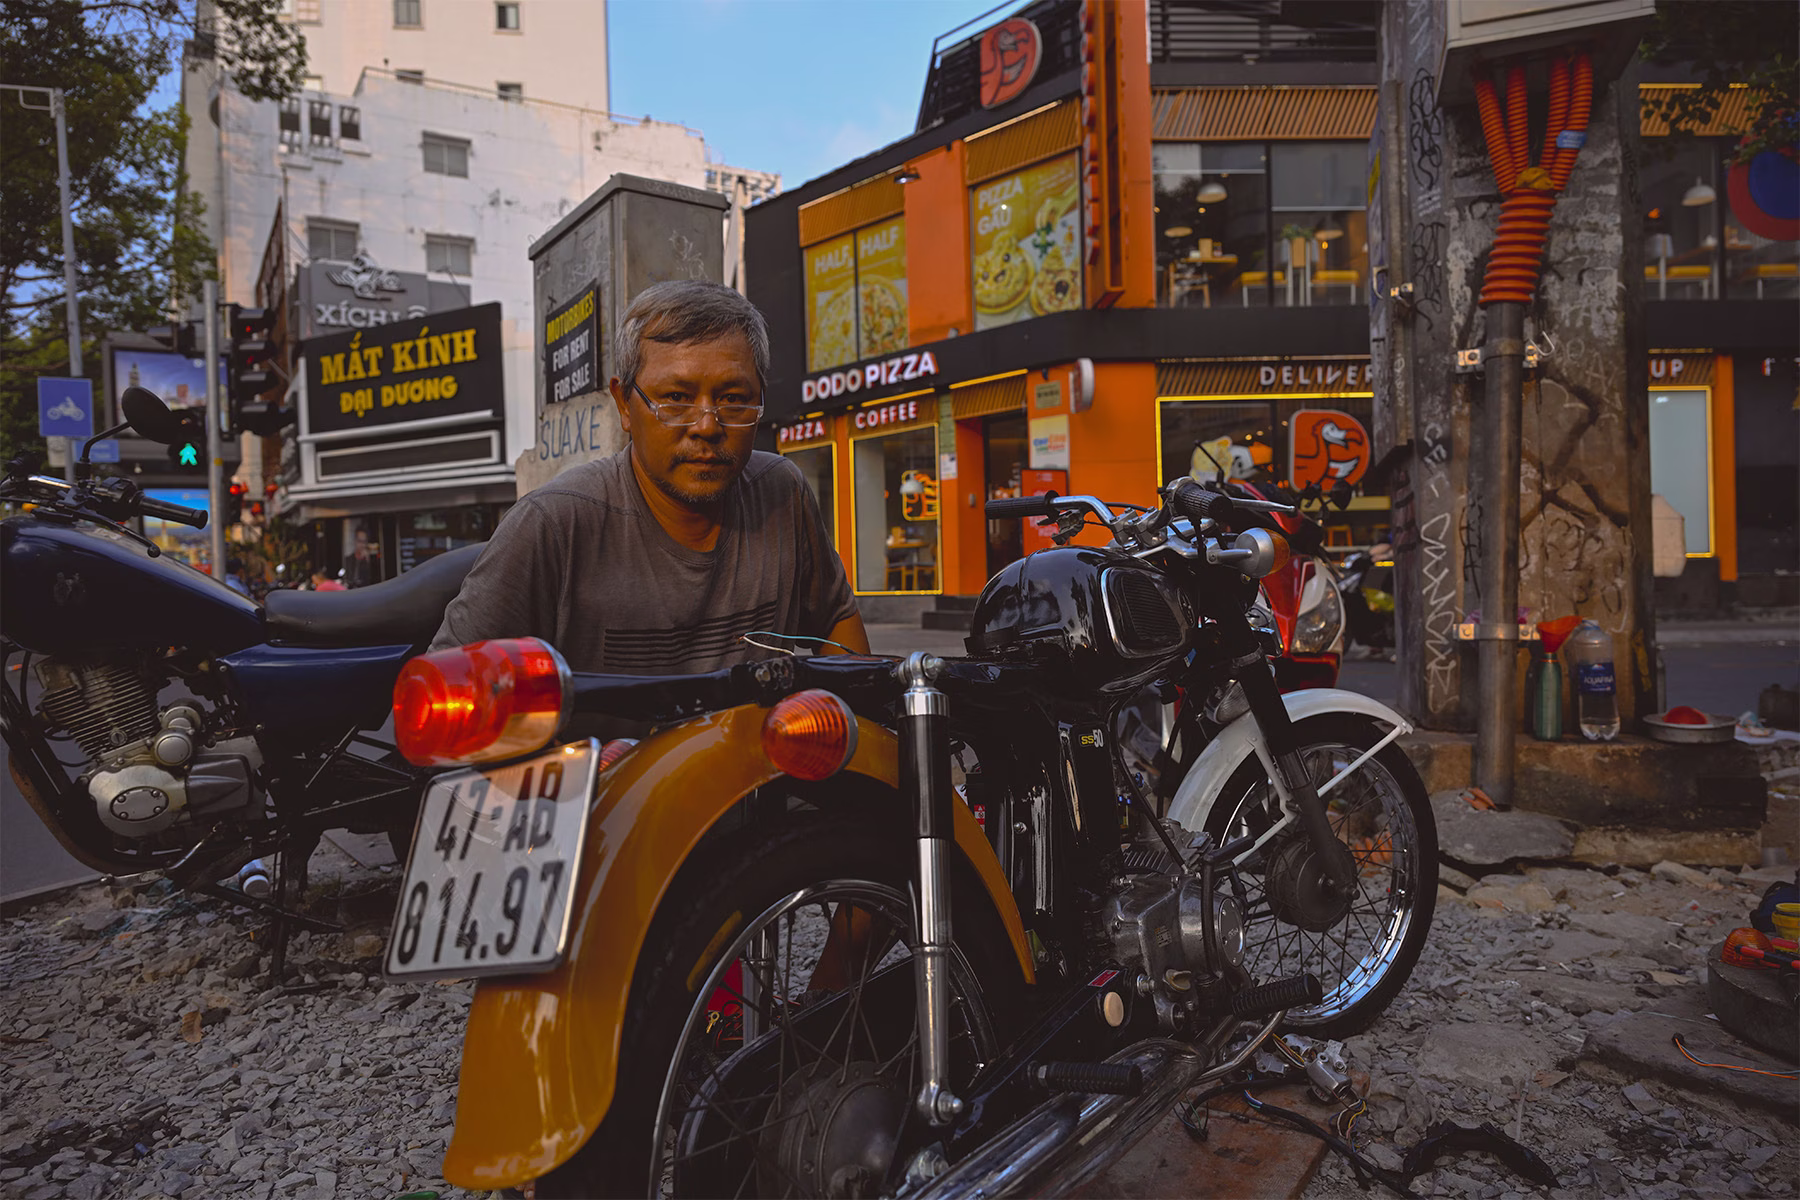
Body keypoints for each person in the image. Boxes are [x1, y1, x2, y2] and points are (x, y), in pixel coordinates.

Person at [432, 279, 866, 671]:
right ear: (624, 405)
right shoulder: (554, 525)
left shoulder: (780, 492)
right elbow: (448, 688)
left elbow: (834, 620)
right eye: (676, 398)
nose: (707, 426)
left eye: (734, 399)